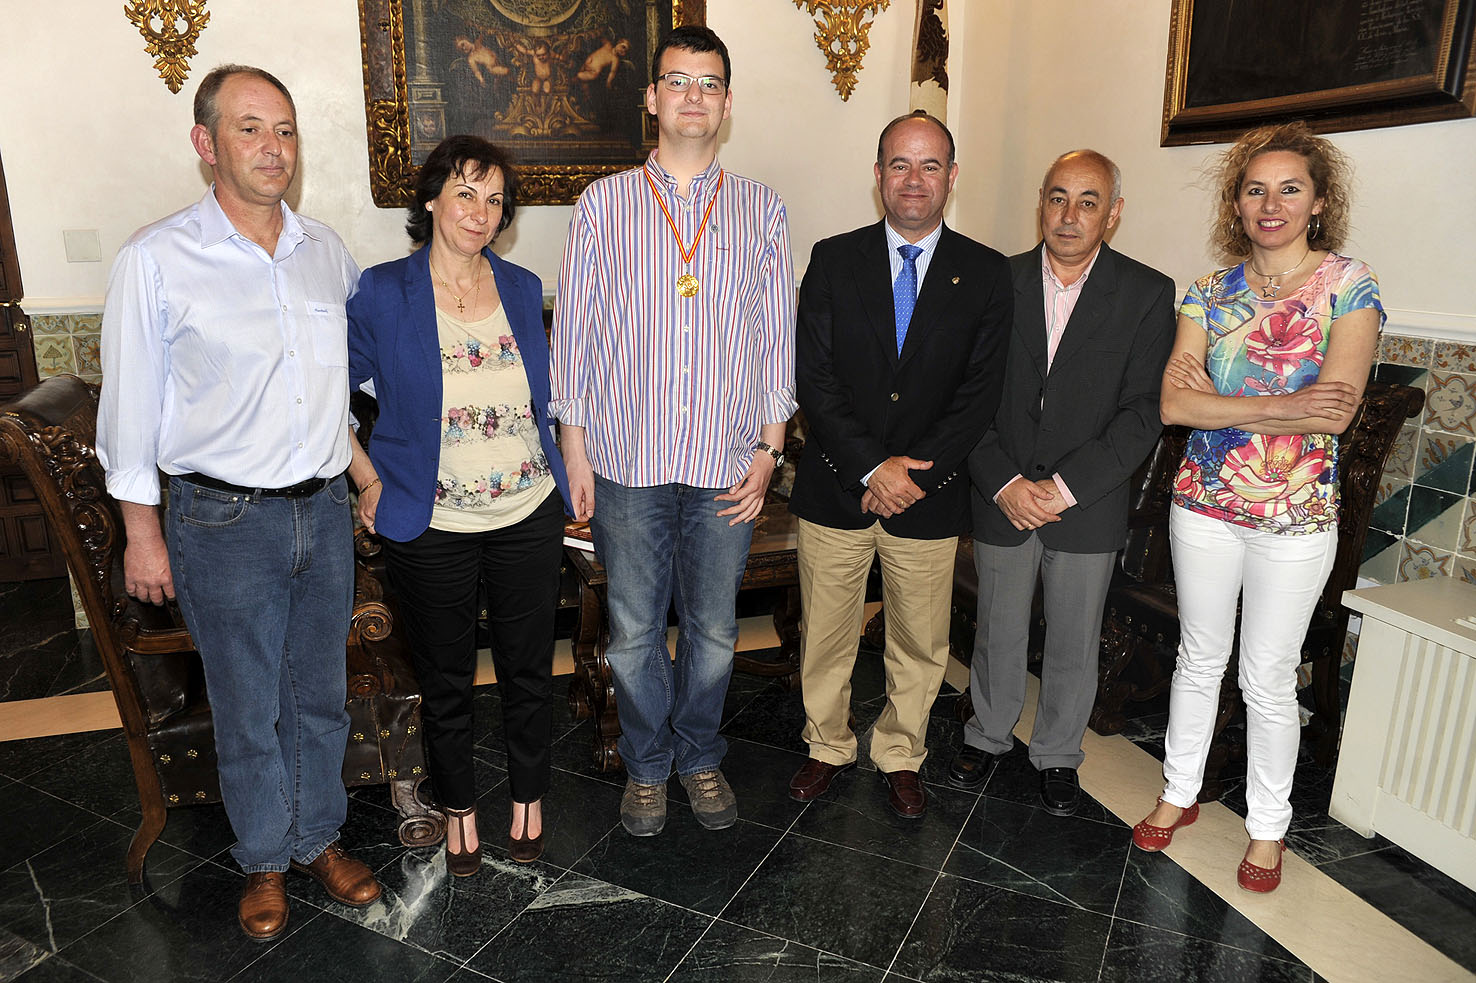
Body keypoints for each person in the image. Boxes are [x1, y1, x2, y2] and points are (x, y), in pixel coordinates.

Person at [97, 64, 381, 941]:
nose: (273, 148)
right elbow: (130, 410)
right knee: (247, 700)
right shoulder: (156, 258)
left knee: (321, 692)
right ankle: (262, 856)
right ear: (205, 144)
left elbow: (351, 388)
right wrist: (142, 534)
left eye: (286, 130)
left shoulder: (325, 251)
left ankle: (319, 839)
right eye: (251, 128)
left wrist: (366, 476)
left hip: (322, 512)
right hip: (221, 521)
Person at [551, 25, 795, 837]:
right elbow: (575, 336)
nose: (694, 95)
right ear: (652, 97)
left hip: (728, 462)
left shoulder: (762, 210)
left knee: (717, 632)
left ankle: (698, 753)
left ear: (727, 104)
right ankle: (647, 764)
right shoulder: (603, 205)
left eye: (710, 83)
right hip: (626, 459)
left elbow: (774, 342)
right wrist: (575, 450)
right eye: (678, 80)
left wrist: (770, 448)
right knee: (630, 634)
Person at [1131, 122, 1382, 893]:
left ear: (1319, 200)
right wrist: (1288, 402)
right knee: (1199, 656)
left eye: (1289, 187)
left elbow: (1335, 414)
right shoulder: (1208, 292)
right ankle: (1179, 793)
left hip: (1297, 516)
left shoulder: (1349, 284)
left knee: (1267, 674)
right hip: (1204, 504)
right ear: (1236, 204)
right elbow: (1174, 402)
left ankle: (1268, 827)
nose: (1269, 203)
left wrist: (1227, 404)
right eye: (1254, 188)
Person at [347, 135, 573, 872]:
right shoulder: (382, 292)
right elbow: (318, 395)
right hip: (430, 520)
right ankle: (459, 810)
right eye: (467, 192)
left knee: (527, 669)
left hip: (528, 511)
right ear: (432, 198)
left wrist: (576, 461)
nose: (481, 212)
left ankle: (530, 797)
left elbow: (551, 397)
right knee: (446, 680)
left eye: (496, 199)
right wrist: (368, 480)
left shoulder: (520, 284)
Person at [786, 110, 1011, 819]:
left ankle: (901, 752)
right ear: (878, 174)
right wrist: (869, 467)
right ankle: (826, 744)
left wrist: (911, 474)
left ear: (951, 176)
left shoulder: (985, 272)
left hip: (929, 496)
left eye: (930, 165)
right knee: (825, 634)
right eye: (899, 164)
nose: (914, 180)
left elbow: (980, 396)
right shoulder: (833, 258)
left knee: (920, 640)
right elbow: (814, 379)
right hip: (836, 486)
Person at [949, 151, 1175, 816]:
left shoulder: (1146, 293)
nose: (1069, 215)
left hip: (1088, 501)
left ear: (1114, 213)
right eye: (1057, 197)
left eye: (1087, 200)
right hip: (1003, 494)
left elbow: (1144, 411)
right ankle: (987, 734)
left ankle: (1056, 754)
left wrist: (1066, 487)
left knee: (1076, 637)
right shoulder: (997, 281)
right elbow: (969, 397)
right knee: (996, 627)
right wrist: (1003, 481)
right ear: (1040, 204)